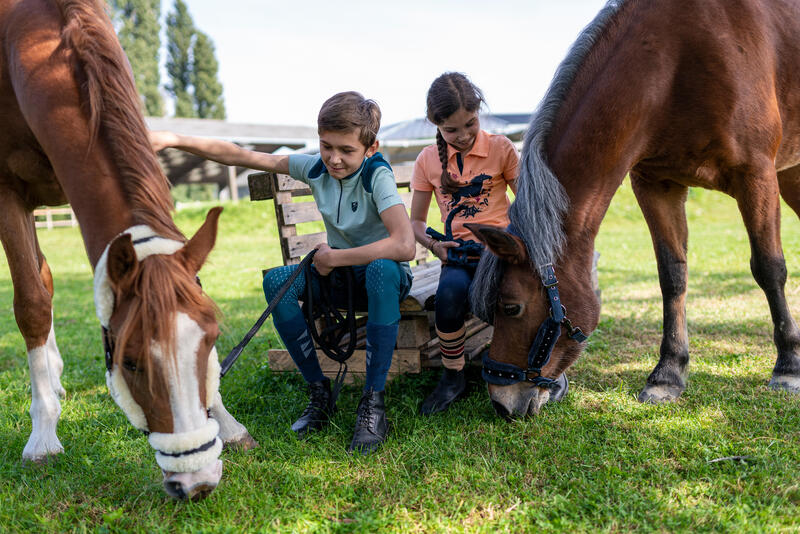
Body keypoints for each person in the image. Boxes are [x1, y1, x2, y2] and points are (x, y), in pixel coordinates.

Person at [150, 91, 416, 454]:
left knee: (382, 270)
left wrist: (336, 258)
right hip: (342, 276)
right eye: (326, 146)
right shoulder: (315, 168)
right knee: (277, 282)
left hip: (381, 279)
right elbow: (242, 155)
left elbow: (404, 246)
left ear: (370, 147)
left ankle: (373, 402)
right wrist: (174, 139)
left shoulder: (377, 175)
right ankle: (319, 392)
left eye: (346, 150)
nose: (334, 159)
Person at [410, 72, 518, 415]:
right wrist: (433, 246)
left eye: (470, 124)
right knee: (449, 298)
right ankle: (453, 376)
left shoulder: (500, 148)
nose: (463, 136)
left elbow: (528, 202)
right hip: (457, 254)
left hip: (499, 252)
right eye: (451, 130)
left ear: (479, 113)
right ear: (435, 125)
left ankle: (520, 361)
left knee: (515, 298)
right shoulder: (427, 160)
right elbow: (414, 222)